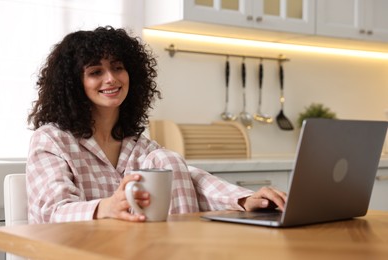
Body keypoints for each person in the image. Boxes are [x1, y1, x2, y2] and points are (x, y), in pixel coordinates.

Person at [26, 26, 287, 224]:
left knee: (169, 160)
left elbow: (192, 178)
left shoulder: (138, 145)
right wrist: (105, 208)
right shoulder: (51, 140)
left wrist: (245, 199)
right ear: (73, 84)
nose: (111, 79)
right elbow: (53, 211)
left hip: (132, 249)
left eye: (117, 68)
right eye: (96, 72)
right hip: (74, 250)